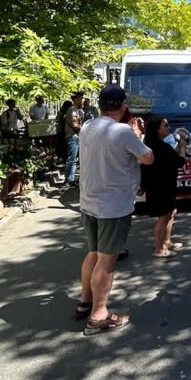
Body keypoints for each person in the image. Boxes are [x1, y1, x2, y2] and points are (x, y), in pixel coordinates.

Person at [76, 84, 154, 336]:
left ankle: (84, 301)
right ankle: (98, 316)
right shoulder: (123, 132)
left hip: (89, 201)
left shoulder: (87, 126)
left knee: (94, 253)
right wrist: (138, 135)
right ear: (123, 105)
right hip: (113, 206)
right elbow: (148, 158)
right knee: (107, 262)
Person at [141, 117, 187, 258]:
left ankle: (166, 241)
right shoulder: (161, 147)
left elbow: (170, 157)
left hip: (159, 185)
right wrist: (183, 148)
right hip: (162, 186)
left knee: (171, 212)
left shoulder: (152, 145)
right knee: (163, 217)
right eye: (165, 125)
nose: (169, 127)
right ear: (157, 130)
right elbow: (180, 161)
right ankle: (159, 248)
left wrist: (179, 145)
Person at [65, 92, 85, 187]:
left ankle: (71, 178)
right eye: (81, 98)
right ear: (76, 99)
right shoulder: (72, 110)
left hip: (76, 136)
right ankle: (69, 179)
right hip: (73, 136)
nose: (83, 100)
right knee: (72, 158)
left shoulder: (78, 110)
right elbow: (75, 125)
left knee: (75, 158)